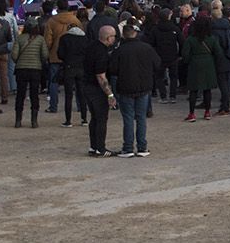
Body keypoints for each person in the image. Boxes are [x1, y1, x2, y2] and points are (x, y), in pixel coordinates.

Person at [111, 21, 160, 156]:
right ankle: (142, 147)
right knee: (141, 118)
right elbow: (157, 64)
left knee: (128, 118)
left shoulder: (119, 51)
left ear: (123, 35)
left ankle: (128, 148)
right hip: (144, 86)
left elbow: (113, 69)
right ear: (136, 34)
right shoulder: (147, 48)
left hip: (125, 87)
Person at [181, 15, 224, 121]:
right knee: (207, 89)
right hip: (208, 64)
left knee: (193, 90)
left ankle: (191, 114)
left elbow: (185, 55)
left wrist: (189, 61)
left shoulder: (190, 39)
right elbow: (219, 53)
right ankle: (207, 112)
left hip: (194, 64)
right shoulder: (212, 38)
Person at [83, 25, 117, 156]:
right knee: (101, 118)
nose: (115, 39)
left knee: (95, 118)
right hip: (97, 89)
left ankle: (94, 146)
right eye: (113, 36)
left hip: (87, 85)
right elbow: (101, 76)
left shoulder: (91, 47)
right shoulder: (102, 52)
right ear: (108, 38)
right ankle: (100, 148)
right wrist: (110, 94)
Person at [11, 16, 49, 128]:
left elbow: (14, 55)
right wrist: (39, 62)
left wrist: (19, 61)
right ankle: (34, 121)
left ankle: (18, 120)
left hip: (21, 69)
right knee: (34, 95)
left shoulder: (20, 38)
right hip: (35, 69)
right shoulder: (40, 39)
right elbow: (45, 55)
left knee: (20, 95)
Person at [56, 16, 88, 127]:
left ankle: (68, 120)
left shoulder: (64, 38)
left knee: (68, 95)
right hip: (81, 67)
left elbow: (60, 54)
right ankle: (84, 119)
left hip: (69, 67)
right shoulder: (85, 38)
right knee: (82, 94)